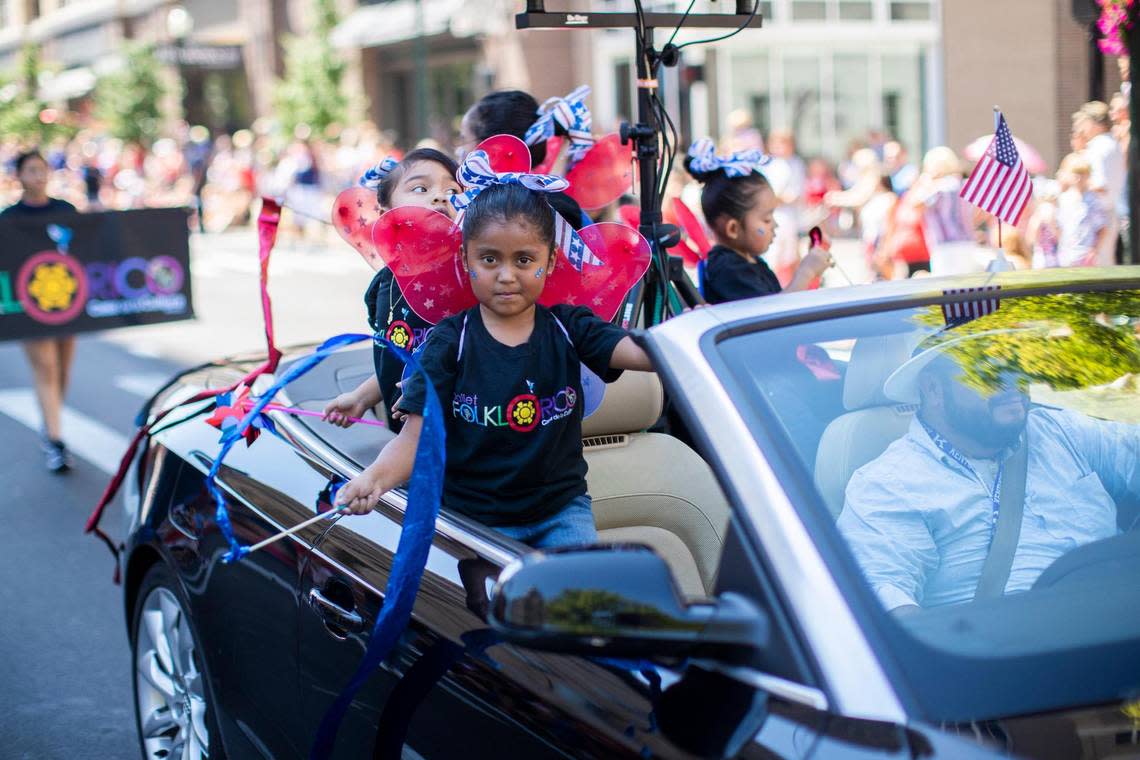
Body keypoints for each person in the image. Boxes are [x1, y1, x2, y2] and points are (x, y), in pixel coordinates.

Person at [335, 178, 654, 549]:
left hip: (562, 513)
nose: (506, 275)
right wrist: (373, 479)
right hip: (474, 521)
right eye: (489, 259)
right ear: (465, 259)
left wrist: (692, 336)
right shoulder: (447, 344)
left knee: (578, 605)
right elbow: (413, 441)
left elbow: (643, 352)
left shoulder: (571, 327)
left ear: (549, 261)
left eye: (524, 260)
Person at [838, 331, 1139, 612]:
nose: (1012, 381)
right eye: (988, 368)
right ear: (933, 389)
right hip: (1028, 654)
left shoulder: (1060, 431)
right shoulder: (887, 485)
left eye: (1017, 362)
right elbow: (888, 604)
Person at [323, 149, 462, 431]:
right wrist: (361, 397)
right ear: (385, 211)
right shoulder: (385, 283)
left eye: (453, 190)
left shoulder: (469, 278)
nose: (440, 196)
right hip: (402, 439)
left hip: (452, 442)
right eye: (421, 188)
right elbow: (398, 353)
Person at [0, 151, 79, 472]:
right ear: (19, 175)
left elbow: (88, 246)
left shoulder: (65, 210)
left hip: (65, 301)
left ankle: (51, 420)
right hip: (28, 305)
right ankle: (55, 438)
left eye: (42, 170)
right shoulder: (9, 217)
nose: (38, 176)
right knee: (45, 367)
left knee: (61, 369)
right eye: (31, 170)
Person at [684, 138, 831, 304]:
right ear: (733, 228)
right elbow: (772, 311)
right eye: (766, 220)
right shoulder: (727, 268)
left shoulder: (752, 262)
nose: (775, 225)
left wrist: (811, 267)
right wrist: (807, 272)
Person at [907, 147, 982, 276]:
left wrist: (923, 182)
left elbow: (914, 204)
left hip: (946, 247)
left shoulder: (938, 187)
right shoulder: (963, 185)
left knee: (946, 289)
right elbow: (980, 211)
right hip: (967, 243)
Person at [1073, 101, 1125, 266]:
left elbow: (1099, 184)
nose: (1083, 128)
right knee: (1106, 261)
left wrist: (1078, 183)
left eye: (1085, 122)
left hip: (1098, 214)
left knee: (1095, 265)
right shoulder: (1112, 143)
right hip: (1111, 211)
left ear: (1094, 122)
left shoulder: (1097, 146)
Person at [1054, 153, 1108, 267]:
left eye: (1082, 174)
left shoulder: (1093, 200)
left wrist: (1094, 250)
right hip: (1067, 253)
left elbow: (1102, 228)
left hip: (1086, 253)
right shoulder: (1064, 198)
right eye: (1075, 173)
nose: (1078, 178)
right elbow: (1058, 226)